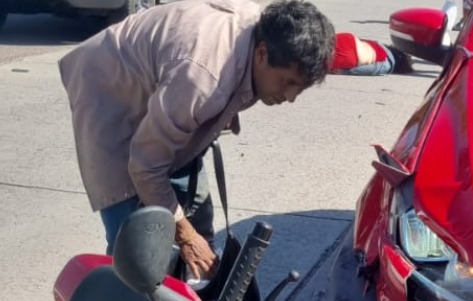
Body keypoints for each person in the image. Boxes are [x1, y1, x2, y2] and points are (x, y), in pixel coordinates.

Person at [59, 0, 335, 280]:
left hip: (172, 89)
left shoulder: (266, 30)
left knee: (197, 220)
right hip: (109, 89)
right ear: (262, 54)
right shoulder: (202, 81)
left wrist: (225, 105)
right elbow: (145, 165)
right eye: (287, 82)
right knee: (136, 246)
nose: (290, 97)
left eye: (299, 88)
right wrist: (186, 236)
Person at [329, 32, 413, 76]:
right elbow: (361, 70)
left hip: (346, 41)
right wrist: (341, 71)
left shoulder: (378, 45)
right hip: (343, 55)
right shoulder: (386, 65)